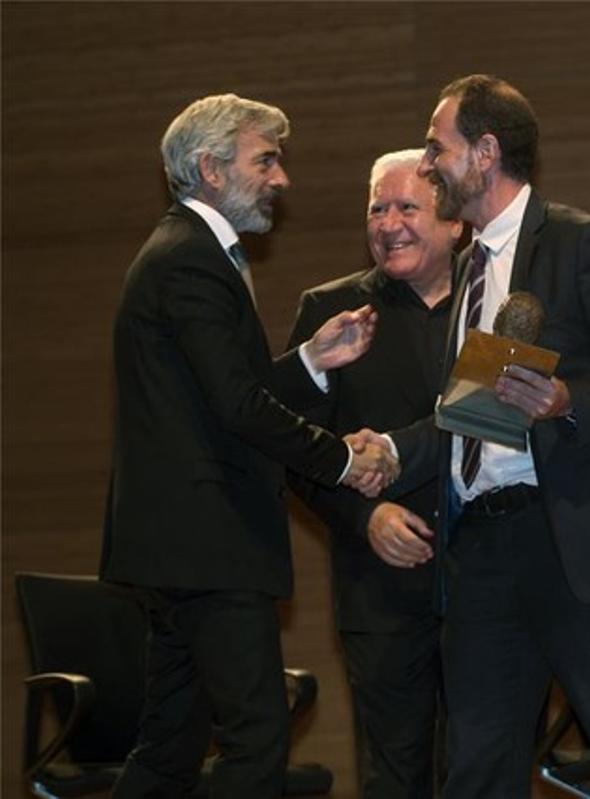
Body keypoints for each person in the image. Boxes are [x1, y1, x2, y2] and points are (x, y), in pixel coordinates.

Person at [382, 74, 590, 798]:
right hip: (480, 551)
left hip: (569, 542)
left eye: (439, 147)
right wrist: (391, 451)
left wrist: (566, 401)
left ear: (485, 152)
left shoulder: (579, 243)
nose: (427, 163)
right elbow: (471, 412)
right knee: (478, 766)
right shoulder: (467, 269)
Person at [102, 93, 396, 798]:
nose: (281, 179)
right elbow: (236, 406)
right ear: (209, 168)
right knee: (257, 740)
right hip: (210, 546)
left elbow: (220, 394)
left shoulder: (184, 251)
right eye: (265, 160)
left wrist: (311, 362)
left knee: (169, 747)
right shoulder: (191, 259)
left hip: (182, 548)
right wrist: (344, 460)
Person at [287, 149, 462, 798]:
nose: (389, 223)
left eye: (407, 207)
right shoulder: (329, 313)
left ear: (456, 223)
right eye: (376, 208)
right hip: (381, 596)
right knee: (395, 777)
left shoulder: (495, 303)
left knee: (485, 772)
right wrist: (367, 517)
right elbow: (295, 453)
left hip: (493, 589)